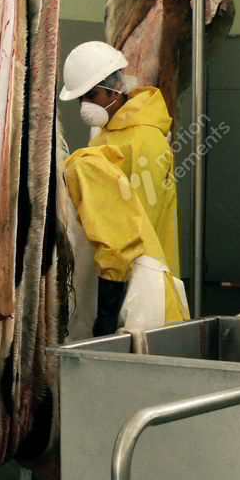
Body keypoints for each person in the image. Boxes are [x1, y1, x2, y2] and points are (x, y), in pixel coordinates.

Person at [59, 41, 182, 335]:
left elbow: (133, 230)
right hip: (109, 274)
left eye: (92, 95)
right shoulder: (105, 134)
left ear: (116, 89)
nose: (86, 106)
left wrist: (109, 309)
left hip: (144, 280)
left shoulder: (145, 141)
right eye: (81, 99)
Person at [65, 145, 189, 335]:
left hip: (142, 301)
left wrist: (107, 316)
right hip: (129, 295)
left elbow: (118, 243)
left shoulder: (83, 168)